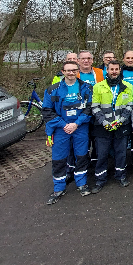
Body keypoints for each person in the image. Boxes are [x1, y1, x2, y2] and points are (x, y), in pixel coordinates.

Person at [42, 61, 93, 204]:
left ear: (78, 71)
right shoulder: (53, 89)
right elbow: (47, 110)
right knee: (59, 158)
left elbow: (89, 108)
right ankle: (59, 187)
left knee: (82, 155)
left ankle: (81, 184)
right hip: (61, 129)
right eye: (68, 70)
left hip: (80, 127)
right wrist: (64, 124)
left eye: (73, 70)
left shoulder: (86, 88)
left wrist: (76, 123)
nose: (71, 73)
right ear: (62, 71)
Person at [91, 60, 133, 193]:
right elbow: (95, 107)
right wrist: (105, 122)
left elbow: (129, 106)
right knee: (102, 154)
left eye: (116, 69)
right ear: (107, 71)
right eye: (111, 69)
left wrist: (120, 121)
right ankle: (100, 180)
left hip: (121, 125)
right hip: (103, 126)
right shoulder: (98, 86)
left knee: (121, 153)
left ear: (120, 70)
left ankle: (120, 176)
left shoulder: (128, 86)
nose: (114, 71)